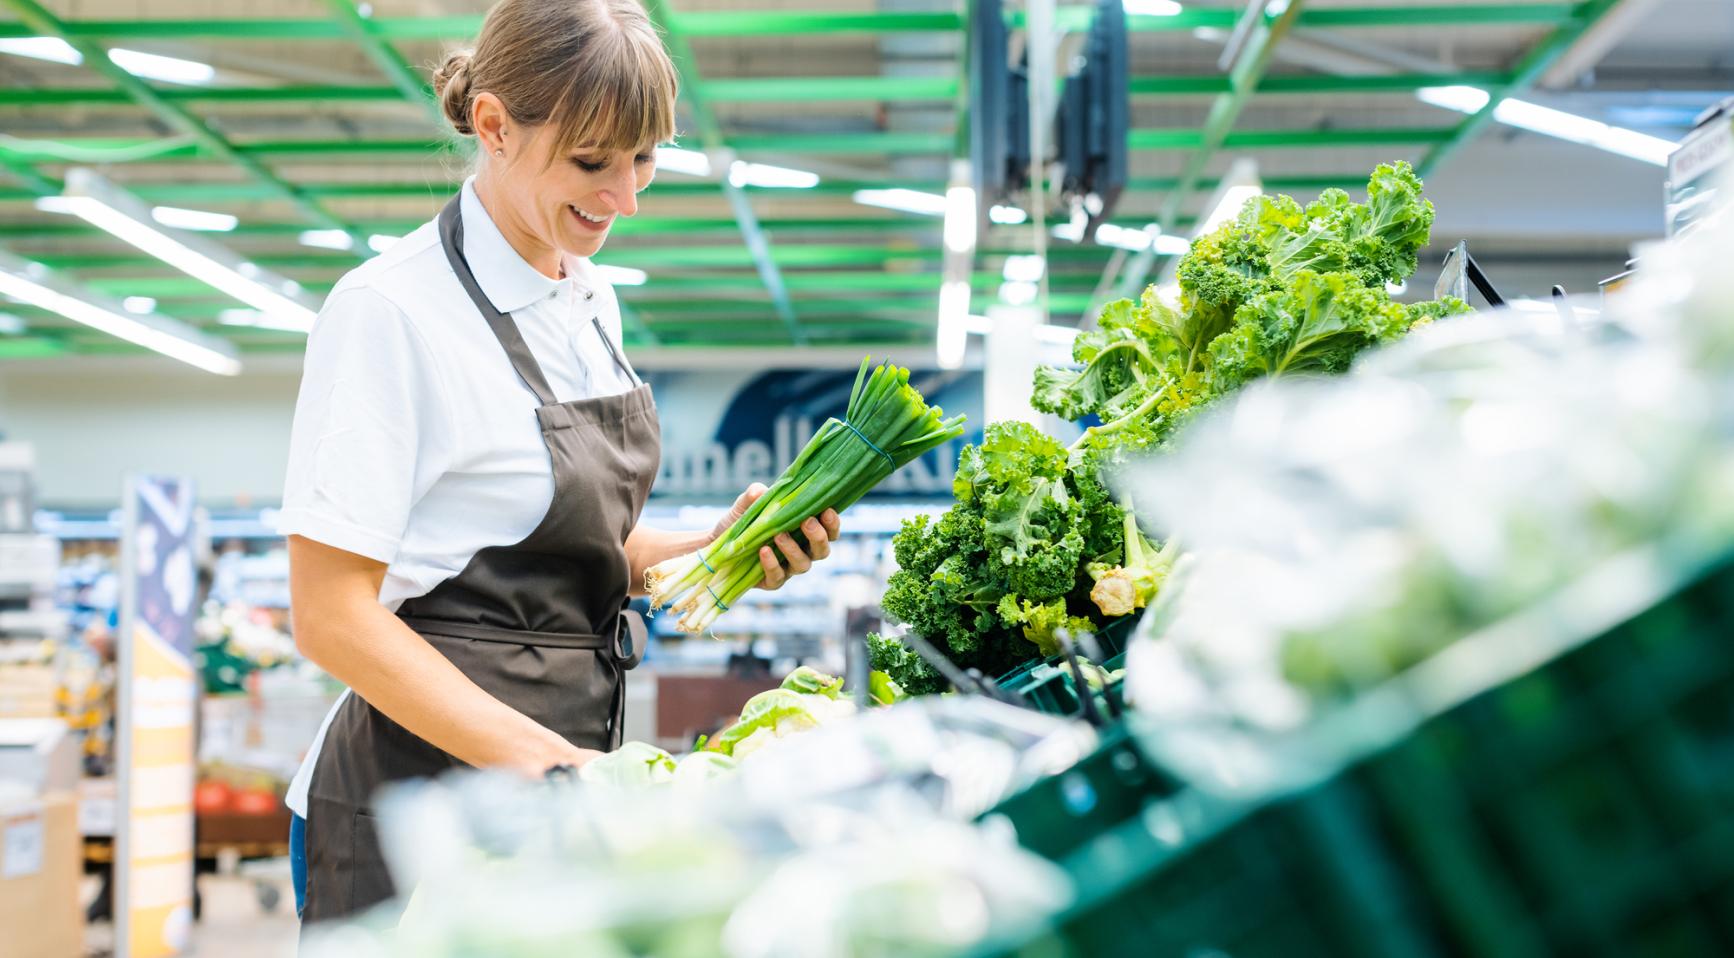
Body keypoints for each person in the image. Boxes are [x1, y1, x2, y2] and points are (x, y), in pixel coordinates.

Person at [278, 0, 841, 925]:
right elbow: (330, 614)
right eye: (591, 162)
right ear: (494, 126)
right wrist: (551, 763)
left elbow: (573, 551)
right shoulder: (389, 313)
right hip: (415, 809)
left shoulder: (589, 298)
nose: (624, 198)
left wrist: (720, 548)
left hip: (554, 800)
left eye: (646, 158)